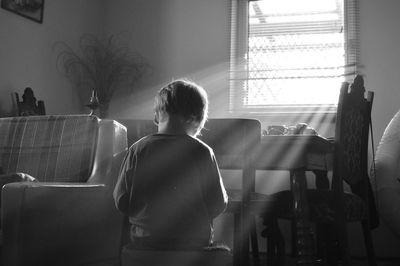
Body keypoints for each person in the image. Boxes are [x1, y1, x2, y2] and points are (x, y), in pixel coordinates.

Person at [113, 79, 228, 250]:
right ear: (197, 119)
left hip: (145, 243)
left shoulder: (137, 149)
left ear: (156, 116)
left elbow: (121, 201)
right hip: (192, 244)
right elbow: (218, 203)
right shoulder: (203, 151)